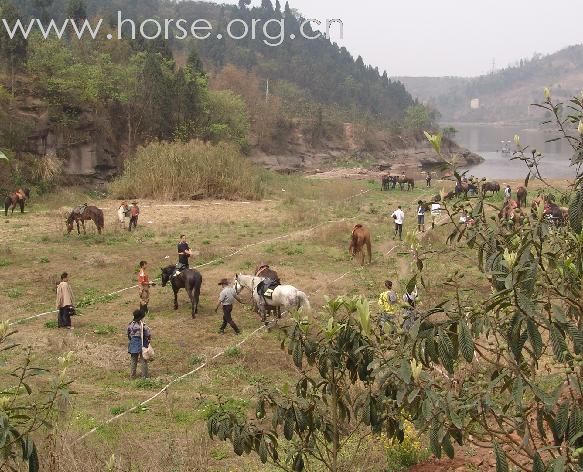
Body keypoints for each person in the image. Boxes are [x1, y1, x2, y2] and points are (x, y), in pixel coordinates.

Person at [127, 309, 151, 379]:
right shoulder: (143, 326)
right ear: (141, 317)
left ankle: (132, 375)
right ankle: (145, 376)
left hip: (133, 343)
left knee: (133, 360)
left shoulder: (130, 325)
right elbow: (148, 334)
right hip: (142, 343)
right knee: (143, 360)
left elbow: (128, 334)